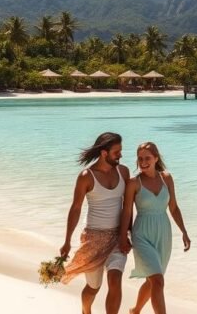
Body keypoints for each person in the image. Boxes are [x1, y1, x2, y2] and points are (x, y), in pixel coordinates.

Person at [61, 132, 132, 314]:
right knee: (94, 286)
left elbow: (128, 206)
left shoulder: (123, 171)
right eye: (117, 152)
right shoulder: (86, 176)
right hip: (93, 238)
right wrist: (67, 241)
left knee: (115, 281)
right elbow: (75, 209)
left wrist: (126, 234)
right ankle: (86, 311)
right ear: (104, 153)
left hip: (117, 236)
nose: (121, 155)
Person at [119, 142, 190, 314]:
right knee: (158, 280)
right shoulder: (134, 183)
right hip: (142, 234)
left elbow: (173, 207)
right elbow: (127, 211)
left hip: (163, 234)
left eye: (147, 158)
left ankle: (135, 310)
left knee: (154, 280)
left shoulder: (167, 178)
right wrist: (123, 238)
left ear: (156, 158)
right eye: (140, 158)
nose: (143, 162)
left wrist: (184, 231)